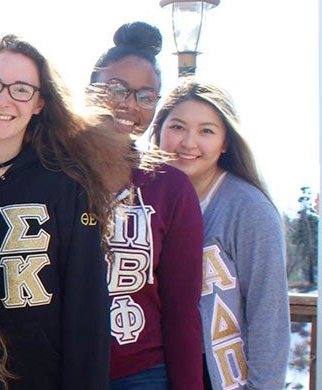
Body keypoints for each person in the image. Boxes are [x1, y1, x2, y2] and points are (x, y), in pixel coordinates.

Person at [0, 34, 137, 389]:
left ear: (39, 103)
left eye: (21, 90)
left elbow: (87, 310)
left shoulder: (66, 184)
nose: (3, 99)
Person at [152, 79, 290, 390]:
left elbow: (268, 312)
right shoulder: (142, 200)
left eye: (206, 131)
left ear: (226, 142)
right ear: (158, 131)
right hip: (155, 371)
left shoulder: (248, 208)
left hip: (220, 376)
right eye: (177, 127)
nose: (189, 142)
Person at [89, 22, 205, 390]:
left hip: (144, 372)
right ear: (90, 91)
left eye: (145, 96)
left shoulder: (170, 187)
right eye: (116, 89)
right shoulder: (57, 176)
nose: (129, 105)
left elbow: (182, 308)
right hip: (63, 368)